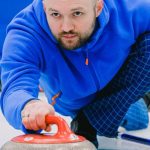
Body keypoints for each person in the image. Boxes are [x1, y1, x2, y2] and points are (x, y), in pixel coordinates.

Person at [0, 0, 150, 148]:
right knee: (137, 115)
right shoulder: (26, 31)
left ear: (98, 7)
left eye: (77, 13)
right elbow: (14, 87)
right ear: (45, 8)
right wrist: (28, 105)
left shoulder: (127, 8)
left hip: (117, 84)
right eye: (55, 14)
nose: (66, 27)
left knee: (136, 117)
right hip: (75, 103)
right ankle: (138, 99)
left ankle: (89, 122)